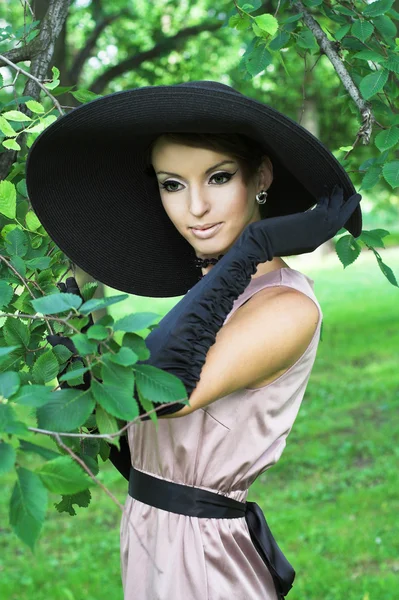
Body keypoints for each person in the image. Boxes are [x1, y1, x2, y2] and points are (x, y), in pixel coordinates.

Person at [25, 80, 362, 600]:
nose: (197, 207)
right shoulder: (209, 301)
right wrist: (74, 329)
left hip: (204, 558)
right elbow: (113, 413)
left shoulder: (286, 307)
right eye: (172, 184)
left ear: (261, 177)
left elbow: (161, 392)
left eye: (219, 177)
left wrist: (258, 243)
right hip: (151, 538)